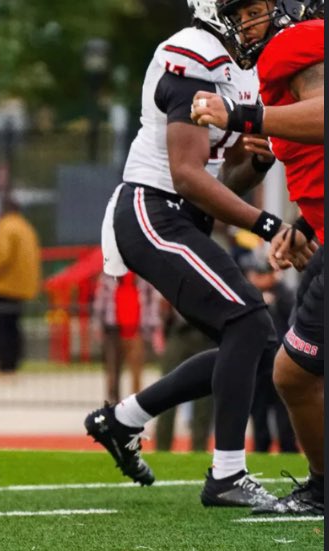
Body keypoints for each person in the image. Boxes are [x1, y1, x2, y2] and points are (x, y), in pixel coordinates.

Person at [85, 0, 305, 507]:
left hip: (180, 214)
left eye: (265, 7)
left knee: (251, 339)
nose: (263, 18)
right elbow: (186, 174)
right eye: (250, 8)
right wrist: (267, 222)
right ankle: (227, 475)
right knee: (249, 324)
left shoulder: (241, 73)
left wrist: (259, 162)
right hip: (151, 209)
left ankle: (122, 420)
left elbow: (223, 177)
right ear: (217, 10)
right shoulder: (191, 55)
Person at [191, 0, 324, 515]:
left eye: (253, 8)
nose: (243, 23)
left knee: (293, 373)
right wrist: (306, 225)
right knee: (295, 373)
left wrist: (245, 114)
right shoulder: (284, 59)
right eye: (237, 13)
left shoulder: (296, 44)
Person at [239, 247, 297, 455]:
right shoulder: (246, 294)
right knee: (258, 411)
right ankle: (261, 449)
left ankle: (287, 449)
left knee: (284, 414)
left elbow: (293, 323)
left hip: (280, 360)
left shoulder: (285, 294)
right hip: (256, 362)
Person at [0, 194, 40, 375]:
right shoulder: (26, 227)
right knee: (13, 326)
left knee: (1, 327)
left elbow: (1, 257)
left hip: (2, 286)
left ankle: (3, 364)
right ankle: (12, 363)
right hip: (21, 287)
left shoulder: (5, 227)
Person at [153, 296, 215, 452]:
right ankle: (161, 448)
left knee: (204, 397)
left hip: (205, 332)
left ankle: (199, 450)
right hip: (179, 329)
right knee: (167, 391)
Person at [92, 272, 161, 403]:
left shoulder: (143, 277)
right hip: (113, 330)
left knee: (136, 371)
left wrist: (153, 326)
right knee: (113, 371)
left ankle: (134, 404)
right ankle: (113, 403)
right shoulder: (108, 277)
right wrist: (98, 325)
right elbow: (99, 303)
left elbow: (152, 302)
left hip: (137, 330)